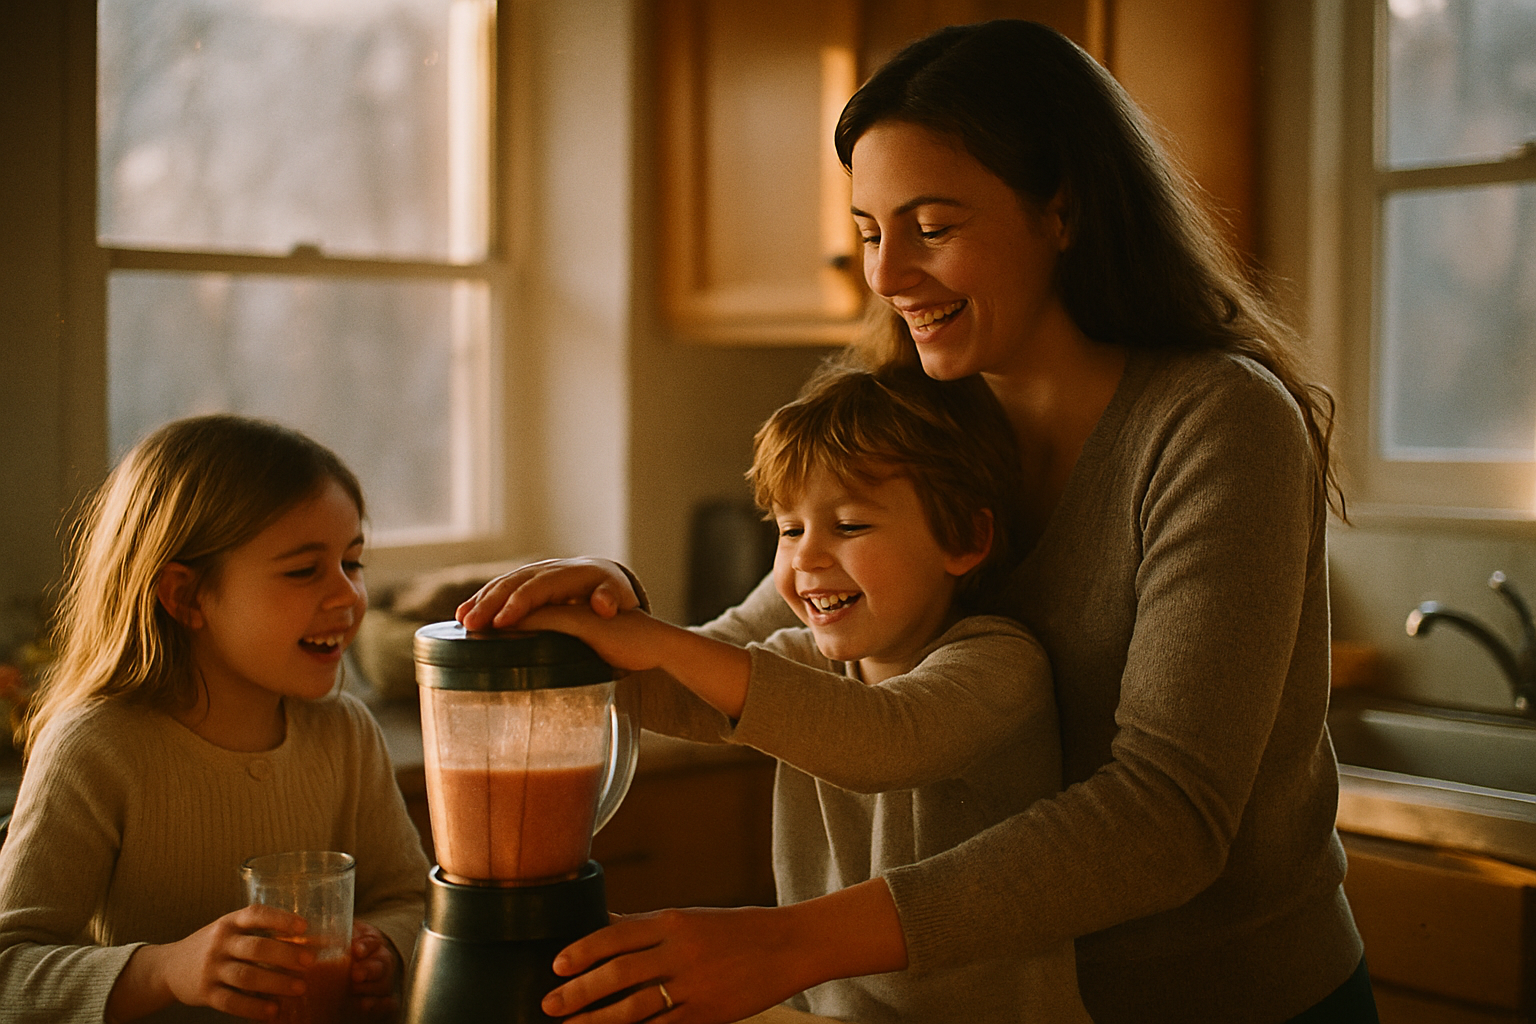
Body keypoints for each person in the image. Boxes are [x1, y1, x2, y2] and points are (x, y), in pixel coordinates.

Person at [460, 19, 1374, 1024]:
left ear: (1062, 210)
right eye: (868, 232)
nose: (887, 275)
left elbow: (1168, 817)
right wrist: (609, 619)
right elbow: (760, 657)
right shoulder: (910, 417)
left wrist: (790, 942)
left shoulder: (1218, 422)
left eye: (931, 227)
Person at [519, 361, 1088, 1023]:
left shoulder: (1000, 664)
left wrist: (658, 641)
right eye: (789, 530)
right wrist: (564, 641)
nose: (806, 558)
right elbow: (685, 695)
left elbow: (885, 738)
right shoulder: (805, 663)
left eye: (849, 526)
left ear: (964, 538)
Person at [0, 415, 429, 1023]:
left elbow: (409, 899)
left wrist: (383, 946)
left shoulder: (346, 733)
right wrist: (166, 970)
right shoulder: (95, 747)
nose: (348, 595)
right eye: (303, 570)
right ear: (184, 595)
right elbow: (11, 971)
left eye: (352, 562)